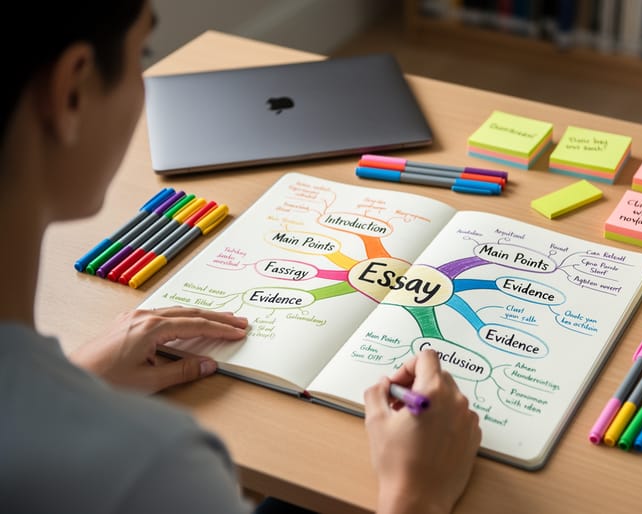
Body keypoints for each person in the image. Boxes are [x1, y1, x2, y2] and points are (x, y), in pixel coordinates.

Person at [0, 2, 481, 513]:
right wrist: (417, 494)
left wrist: (76, 382)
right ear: (70, 92)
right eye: (143, 53)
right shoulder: (156, 467)